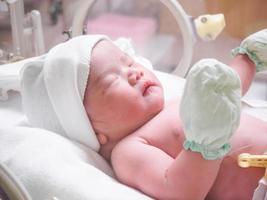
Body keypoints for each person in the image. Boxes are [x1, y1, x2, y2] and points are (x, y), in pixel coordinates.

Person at [20, 30, 267, 200]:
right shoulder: (128, 151)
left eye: (129, 62)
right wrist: (206, 143)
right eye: (111, 80)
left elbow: (229, 91)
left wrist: (248, 56)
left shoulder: (175, 100)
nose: (134, 72)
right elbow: (179, 191)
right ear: (92, 129)